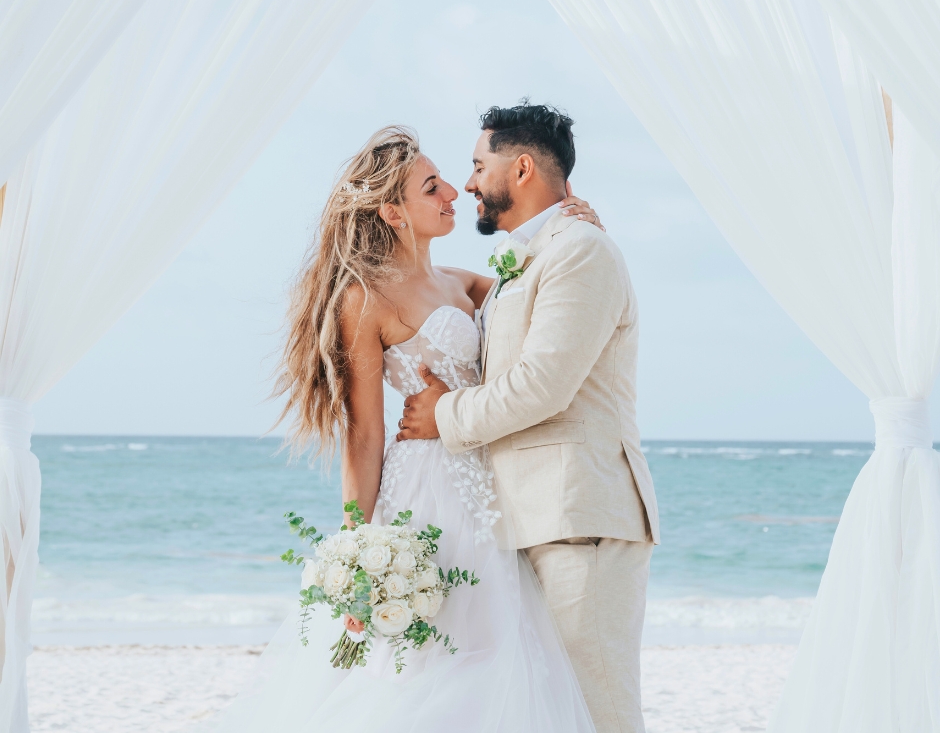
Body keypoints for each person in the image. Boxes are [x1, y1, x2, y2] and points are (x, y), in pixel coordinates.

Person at [204, 123, 603, 732]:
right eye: (431, 186)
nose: (452, 193)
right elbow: (364, 434)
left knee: (501, 650)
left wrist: (572, 224)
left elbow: (547, 293)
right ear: (392, 210)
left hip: (494, 484)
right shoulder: (364, 299)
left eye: (447, 178)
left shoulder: (464, 283)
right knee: (426, 660)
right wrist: (356, 548)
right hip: (426, 488)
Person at [397, 102, 660, 733]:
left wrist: (444, 415)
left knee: (599, 712)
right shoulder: (534, 256)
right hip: (524, 519)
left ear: (519, 169)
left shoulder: (581, 252)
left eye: (477, 165)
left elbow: (544, 385)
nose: (466, 184)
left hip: (579, 519)